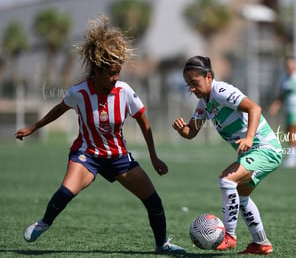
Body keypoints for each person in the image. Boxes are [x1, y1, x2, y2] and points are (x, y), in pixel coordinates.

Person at [14, 16, 185, 254]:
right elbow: (58, 110)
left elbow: (145, 125)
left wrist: (154, 157)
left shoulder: (124, 91)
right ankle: (43, 223)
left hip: (118, 157)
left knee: (153, 200)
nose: (115, 78)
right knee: (66, 191)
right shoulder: (79, 92)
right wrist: (33, 128)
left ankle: (162, 245)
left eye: (118, 72)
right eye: (111, 74)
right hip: (87, 154)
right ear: (97, 70)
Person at [172, 56, 282, 255]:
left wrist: (249, 138)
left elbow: (254, 108)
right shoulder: (203, 103)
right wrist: (182, 130)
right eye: (188, 85)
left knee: (226, 180)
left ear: (208, 77)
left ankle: (229, 236)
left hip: (265, 148)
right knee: (241, 196)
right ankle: (261, 243)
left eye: (194, 83)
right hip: (255, 151)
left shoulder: (221, 91)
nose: (192, 89)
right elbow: (192, 132)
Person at [268, 57, 296, 168]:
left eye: (292, 66)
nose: (290, 68)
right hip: (289, 109)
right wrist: (276, 105)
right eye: (288, 66)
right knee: (288, 134)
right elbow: (281, 95)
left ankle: (293, 159)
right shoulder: (284, 79)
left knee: (292, 133)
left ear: (295, 66)